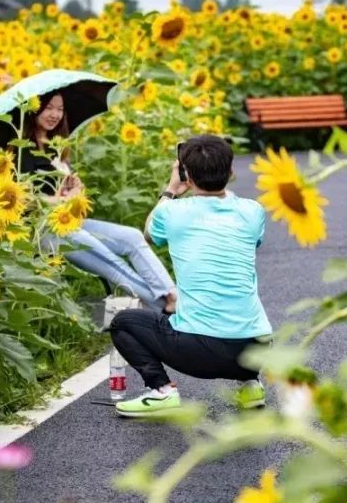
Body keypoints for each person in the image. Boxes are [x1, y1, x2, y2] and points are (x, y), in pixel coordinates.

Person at [108, 135, 272, 417]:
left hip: (200, 353)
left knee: (123, 322)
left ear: (187, 174)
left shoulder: (172, 212)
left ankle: (162, 391)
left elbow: (148, 234)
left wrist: (171, 189)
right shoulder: (252, 211)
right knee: (237, 304)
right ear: (231, 172)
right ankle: (250, 384)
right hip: (256, 347)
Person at [18, 91, 178, 313]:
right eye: (49, 107)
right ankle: (168, 307)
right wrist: (62, 199)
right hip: (46, 231)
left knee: (131, 237)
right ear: (34, 109)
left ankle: (172, 294)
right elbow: (25, 200)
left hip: (71, 222)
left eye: (60, 109)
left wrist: (77, 190)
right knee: (112, 264)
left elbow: (74, 197)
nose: (55, 114)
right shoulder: (22, 151)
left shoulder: (56, 148)